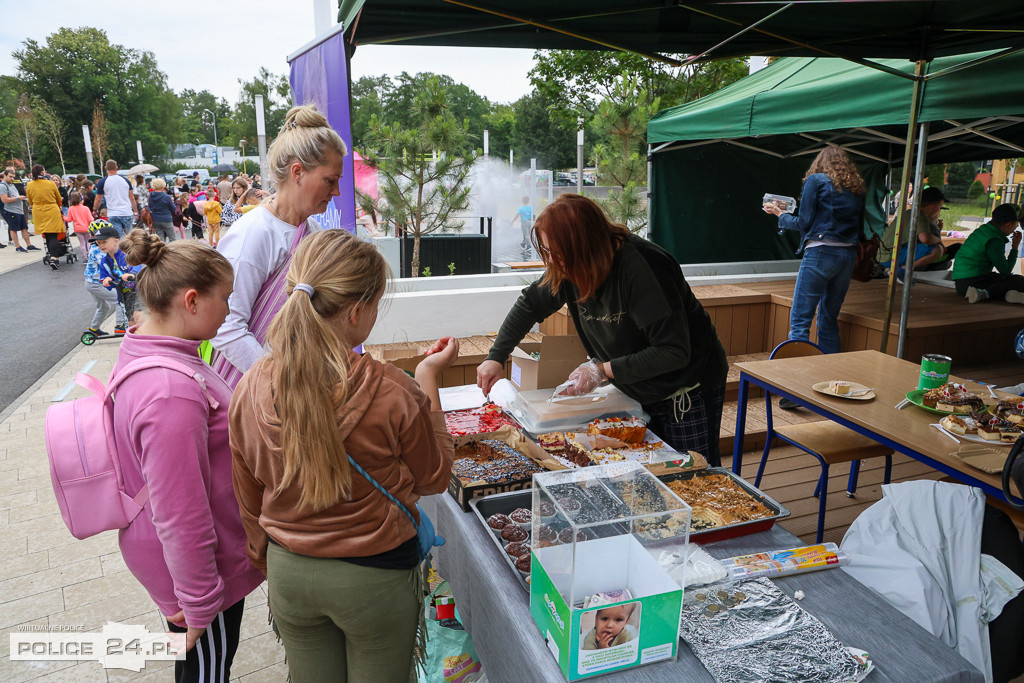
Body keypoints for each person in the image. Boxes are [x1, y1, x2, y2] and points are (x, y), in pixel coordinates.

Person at [229, 229, 456, 682]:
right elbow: (434, 478)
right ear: (356, 311)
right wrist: (428, 376)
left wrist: (268, 558)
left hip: (289, 571)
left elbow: (247, 494)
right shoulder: (391, 389)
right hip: (375, 577)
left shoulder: (251, 385)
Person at [111, 230, 265, 682]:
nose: (232, 312)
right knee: (205, 672)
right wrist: (199, 604)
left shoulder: (149, 346)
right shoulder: (170, 391)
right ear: (192, 301)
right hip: (198, 573)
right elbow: (180, 512)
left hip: (184, 562)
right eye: (227, 299)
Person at [477, 194, 729, 466]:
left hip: (686, 389)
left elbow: (673, 351)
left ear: (585, 246)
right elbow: (531, 304)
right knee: (650, 474)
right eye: (548, 252)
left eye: (558, 254)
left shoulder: (643, 268)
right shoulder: (567, 265)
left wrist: (602, 370)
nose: (552, 262)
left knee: (693, 472)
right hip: (639, 387)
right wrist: (496, 356)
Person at [209, 104, 346, 389]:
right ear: (298, 172)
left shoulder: (312, 232)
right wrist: (279, 383)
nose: (337, 192)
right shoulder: (253, 235)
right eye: (330, 181)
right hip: (259, 392)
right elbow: (225, 327)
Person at [763, 145, 865, 356]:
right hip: (847, 255)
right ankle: (831, 373)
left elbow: (804, 223)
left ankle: (797, 376)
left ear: (819, 163)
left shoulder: (815, 180)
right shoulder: (856, 187)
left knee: (800, 321)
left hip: (820, 252)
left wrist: (779, 214)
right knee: (828, 318)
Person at [953, 203, 1024, 304]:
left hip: (961, 284)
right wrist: (1015, 247)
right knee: (1018, 280)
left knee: (1000, 280)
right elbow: (1006, 270)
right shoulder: (995, 240)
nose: (1016, 228)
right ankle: (984, 293)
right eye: (1016, 224)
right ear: (1008, 225)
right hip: (973, 284)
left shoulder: (984, 230)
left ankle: (1011, 296)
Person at [882, 186, 958, 278]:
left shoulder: (909, 213)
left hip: (885, 255)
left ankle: (898, 269)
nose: (940, 210)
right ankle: (902, 270)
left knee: (944, 261)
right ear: (932, 207)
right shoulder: (919, 216)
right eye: (940, 206)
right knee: (938, 250)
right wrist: (938, 240)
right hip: (890, 257)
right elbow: (925, 239)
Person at [96, 225, 142, 333]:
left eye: (104, 242)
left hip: (137, 290)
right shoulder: (104, 261)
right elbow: (104, 277)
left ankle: (145, 337)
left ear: (116, 241)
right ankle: (135, 339)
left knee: (138, 316)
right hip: (122, 294)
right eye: (98, 243)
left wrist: (131, 274)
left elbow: (137, 264)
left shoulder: (126, 254)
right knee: (129, 320)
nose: (101, 245)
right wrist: (106, 280)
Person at [25, 164, 66, 269]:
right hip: (51, 209)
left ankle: (51, 255)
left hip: (38, 211)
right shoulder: (50, 183)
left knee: (47, 235)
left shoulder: (29, 185)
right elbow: (58, 198)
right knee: (53, 235)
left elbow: (29, 200)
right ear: (43, 172)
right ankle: (54, 258)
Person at [83, 221, 120, 336]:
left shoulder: (96, 248)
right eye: (100, 242)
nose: (102, 244)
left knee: (103, 307)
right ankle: (120, 326)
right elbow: (107, 265)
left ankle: (94, 329)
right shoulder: (98, 250)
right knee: (119, 300)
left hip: (91, 282)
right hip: (96, 283)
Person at [94, 160, 138, 236]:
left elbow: (98, 199)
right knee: (130, 237)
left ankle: (120, 247)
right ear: (117, 168)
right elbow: (132, 198)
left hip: (112, 213)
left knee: (118, 236)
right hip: (126, 212)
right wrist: (136, 211)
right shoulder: (126, 180)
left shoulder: (102, 182)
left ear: (105, 168)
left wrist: (95, 209)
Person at [1, 167, 37, 252]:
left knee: (24, 228)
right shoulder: (3, 186)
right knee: (14, 229)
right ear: (5, 176)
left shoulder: (11, 184)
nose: (12, 178)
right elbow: (4, 200)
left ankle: (29, 245)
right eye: (10, 176)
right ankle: (18, 246)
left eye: (13, 177)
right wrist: (18, 198)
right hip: (11, 210)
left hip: (19, 210)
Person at [64, 191, 93, 256]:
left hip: (77, 229)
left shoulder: (71, 209)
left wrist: (63, 217)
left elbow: (69, 220)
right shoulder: (86, 208)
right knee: (88, 242)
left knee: (82, 243)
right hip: (86, 228)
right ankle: (90, 255)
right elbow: (90, 219)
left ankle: (85, 256)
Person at [148, 178, 177, 242]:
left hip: (155, 219)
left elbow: (149, 206)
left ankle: (161, 250)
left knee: (160, 238)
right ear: (162, 186)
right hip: (166, 218)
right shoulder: (166, 197)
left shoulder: (150, 196)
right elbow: (173, 208)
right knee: (172, 238)